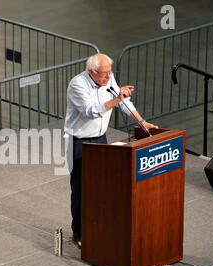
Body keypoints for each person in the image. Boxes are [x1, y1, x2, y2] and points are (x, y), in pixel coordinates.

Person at [64, 53, 158, 248]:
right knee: (82, 189)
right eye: (104, 74)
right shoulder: (77, 85)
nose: (108, 77)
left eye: (109, 72)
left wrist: (142, 122)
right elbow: (91, 111)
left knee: (102, 187)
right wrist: (117, 98)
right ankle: (79, 232)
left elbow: (124, 102)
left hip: (101, 139)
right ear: (91, 72)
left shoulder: (108, 78)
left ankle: (99, 226)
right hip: (81, 142)